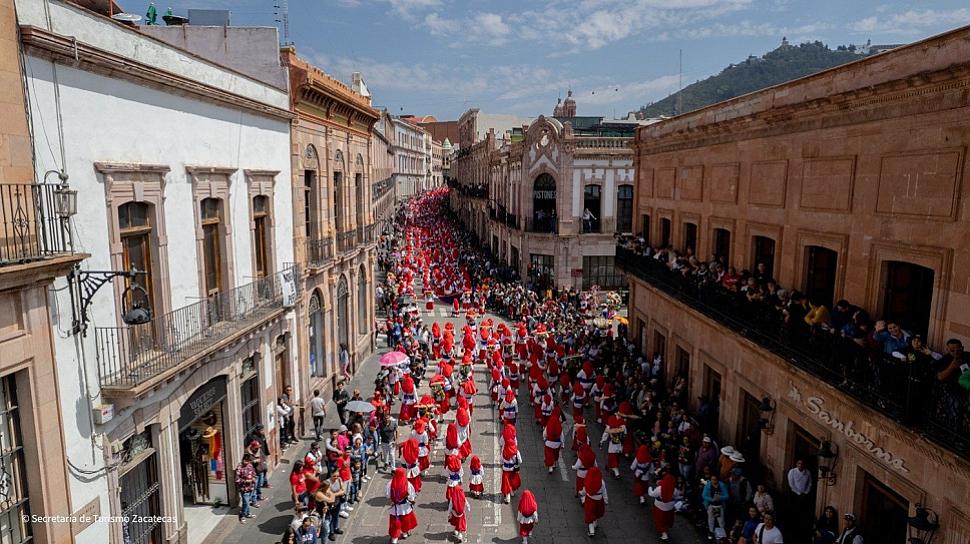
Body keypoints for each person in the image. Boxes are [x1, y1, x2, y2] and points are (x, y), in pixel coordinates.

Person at [387, 467, 418, 544]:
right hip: (405, 507)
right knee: (405, 521)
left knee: (395, 523)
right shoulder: (408, 484)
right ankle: (404, 534)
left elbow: (387, 495)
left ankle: (394, 538)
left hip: (395, 508)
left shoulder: (390, 483)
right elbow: (411, 496)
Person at [649, 467, 676, 541]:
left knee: (660, 520)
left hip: (659, 506)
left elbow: (652, 494)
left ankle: (664, 534)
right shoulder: (674, 489)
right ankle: (666, 530)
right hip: (670, 507)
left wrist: (650, 488)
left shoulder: (660, 488)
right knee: (667, 519)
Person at [582, 466, 608, 537]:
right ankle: (595, 523)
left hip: (590, 500)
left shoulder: (588, 480)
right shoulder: (601, 482)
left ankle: (591, 531)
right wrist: (606, 500)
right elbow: (604, 491)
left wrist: (582, 493)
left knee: (589, 514)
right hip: (599, 500)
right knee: (596, 512)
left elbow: (585, 489)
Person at [234, 453, 257, 523]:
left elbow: (254, 474)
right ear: (243, 459)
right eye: (246, 461)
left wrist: (253, 478)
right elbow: (237, 479)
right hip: (244, 488)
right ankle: (242, 515)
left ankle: (248, 513)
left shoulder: (250, 466)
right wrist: (245, 481)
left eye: (249, 461)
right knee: (246, 502)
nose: (247, 462)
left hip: (251, 487)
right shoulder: (239, 467)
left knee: (246, 502)